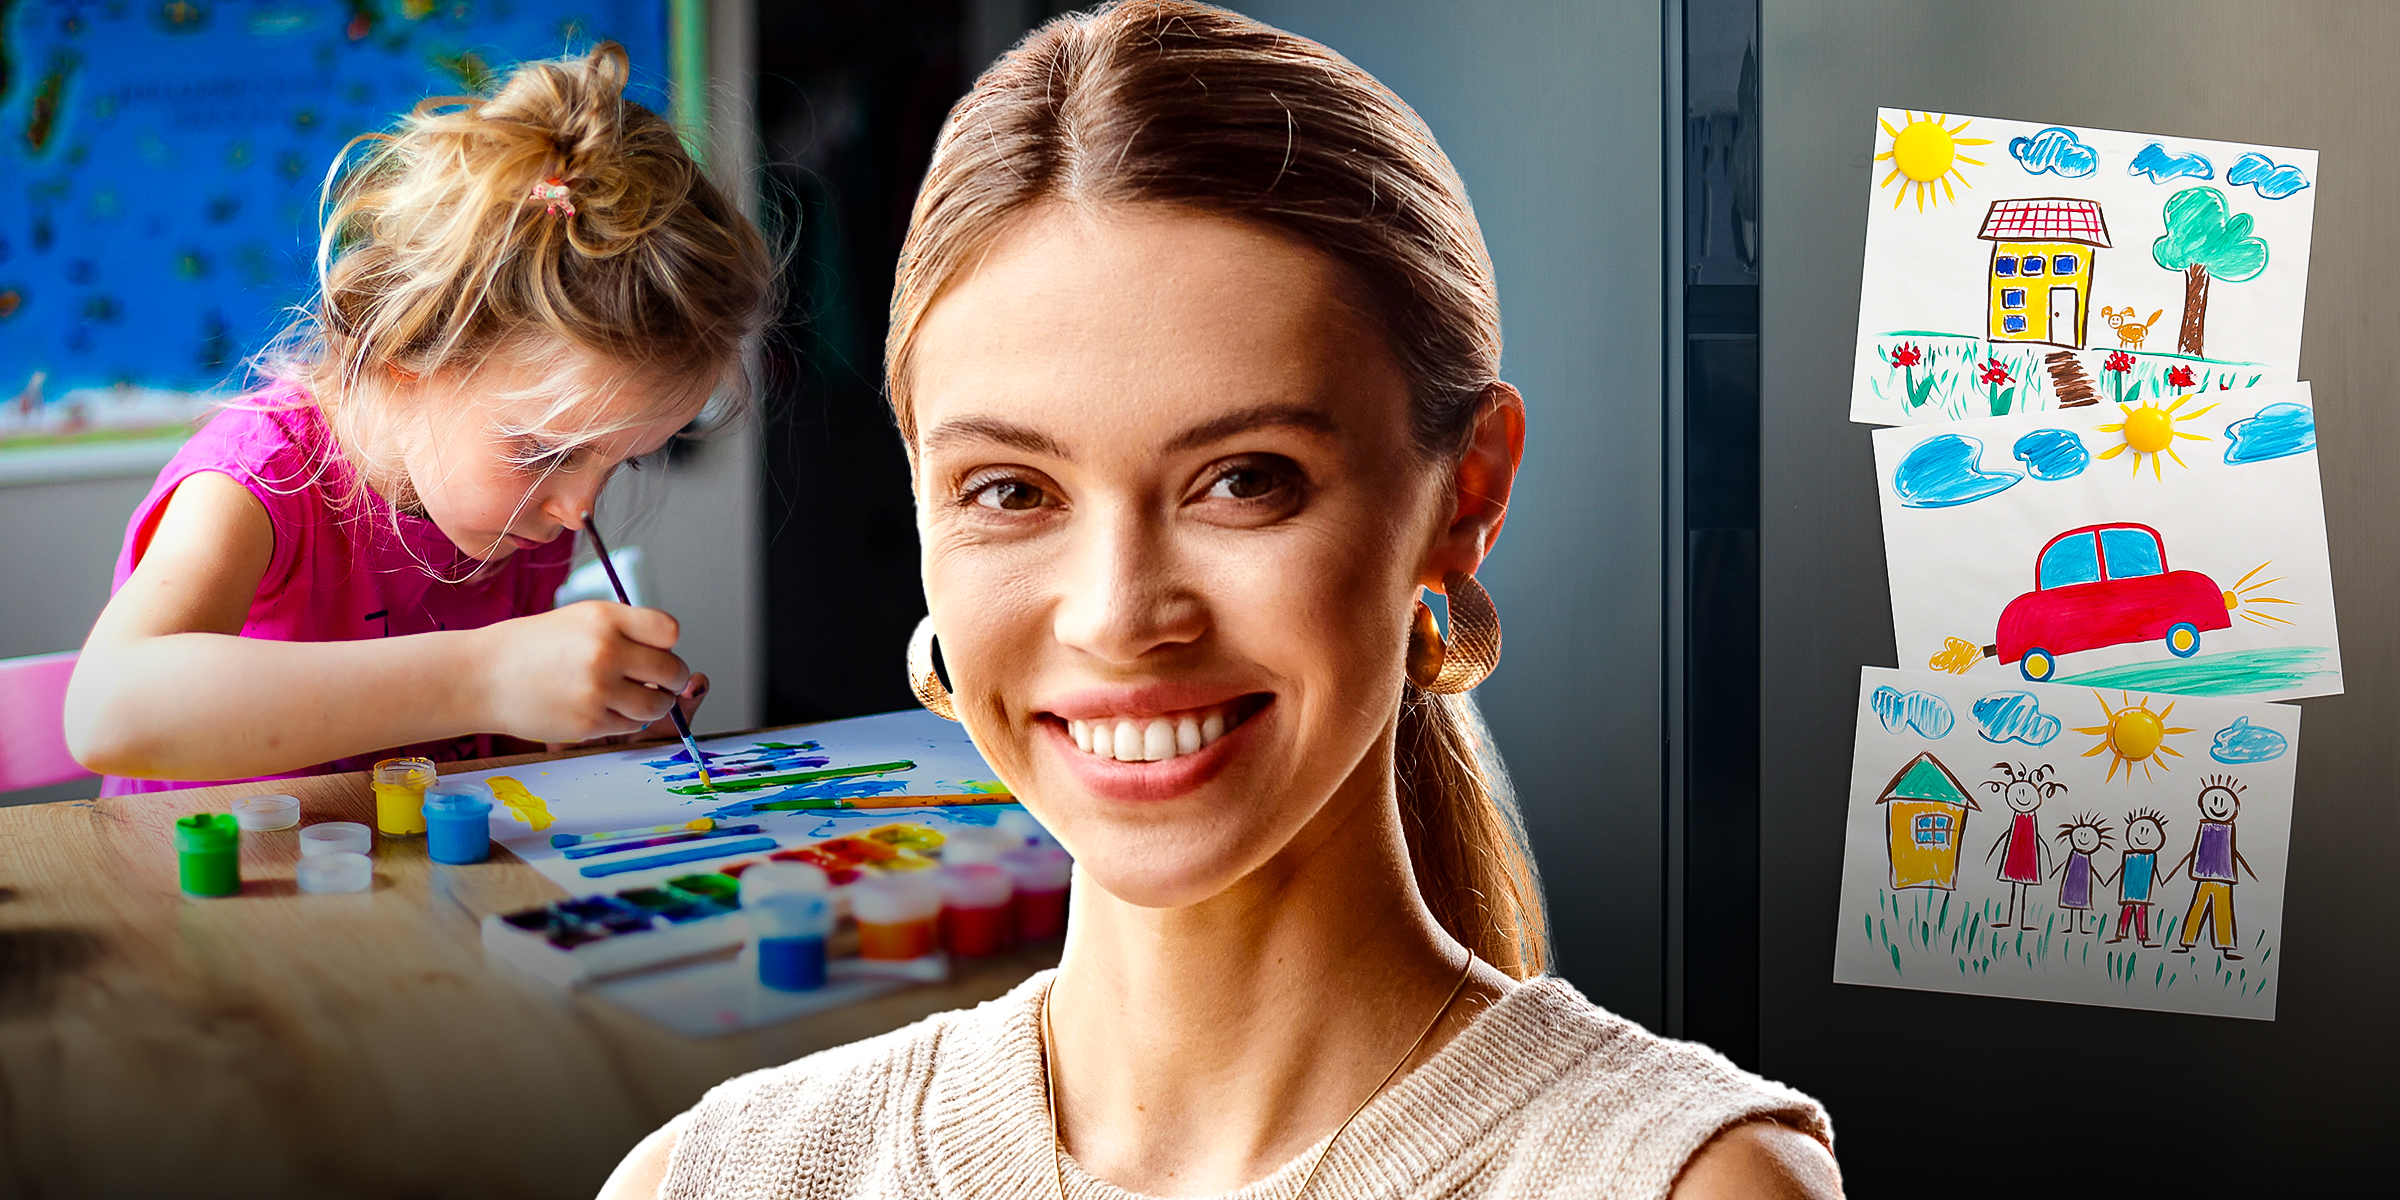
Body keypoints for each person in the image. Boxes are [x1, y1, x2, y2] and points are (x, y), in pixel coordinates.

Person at [612, 5, 1837, 1196]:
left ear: (1466, 496)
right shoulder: (720, 1177)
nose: (1118, 614)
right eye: (1009, 488)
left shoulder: (1686, 1183)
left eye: (1245, 482)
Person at [64, 43, 770, 793]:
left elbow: (475, 761)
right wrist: (486, 676)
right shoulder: (257, 485)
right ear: (409, 358)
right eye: (545, 452)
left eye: (620, 459)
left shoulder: (515, 517)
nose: (579, 510)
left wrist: (583, 726)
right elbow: (110, 711)